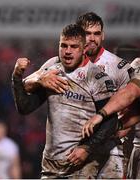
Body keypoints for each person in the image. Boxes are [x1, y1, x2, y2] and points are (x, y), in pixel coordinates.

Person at [23, 12, 133, 179]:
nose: (92, 39)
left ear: (103, 35)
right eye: (87, 34)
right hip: (72, 154)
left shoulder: (118, 67)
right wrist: (39, 79)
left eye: (96, 34)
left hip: (110, 150)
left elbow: (133, 103)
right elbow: (26, 85)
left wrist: (119, 130)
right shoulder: (57, 64)